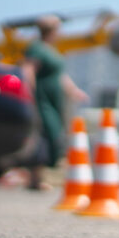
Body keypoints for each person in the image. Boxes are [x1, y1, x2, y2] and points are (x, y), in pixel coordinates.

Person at [22, 15, 88, 190]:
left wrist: (74, 91)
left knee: (54, 133)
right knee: (46, 133)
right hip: (42, 99)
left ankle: (40, 177)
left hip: (54, 101)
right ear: (52, 30)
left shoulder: (51, 50)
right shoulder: (36, 48)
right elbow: (28, 71)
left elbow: (60, 76)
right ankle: (36, 178)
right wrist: (31, 95)